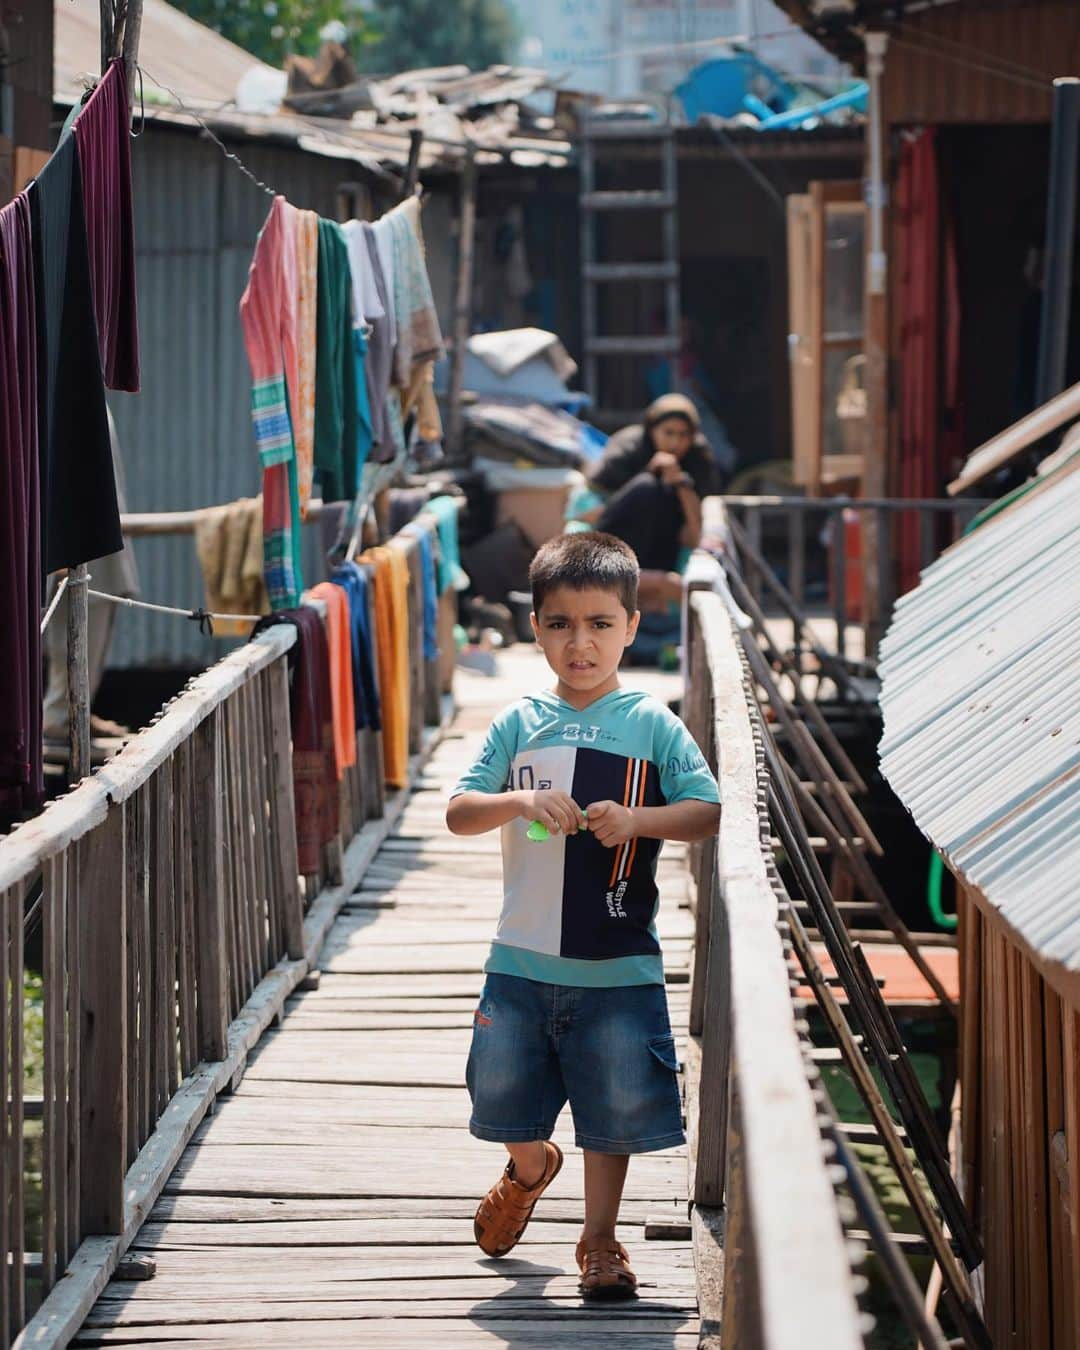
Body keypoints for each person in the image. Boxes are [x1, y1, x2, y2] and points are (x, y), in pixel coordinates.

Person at [446, 532, 721, 1300]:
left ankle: (600, 1240)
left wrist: (638, 821)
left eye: (601, 623)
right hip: (520, 957)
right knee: (500, 1100)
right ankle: (531, 1169)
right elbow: (461, 812)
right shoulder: (517, 722)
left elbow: (705, 811)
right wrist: (519, 799)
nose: (581, 642)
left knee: (616, 1110)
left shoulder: (653, 723)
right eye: (561, 624)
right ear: (535, 627)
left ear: (633, 626)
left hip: (618, 958)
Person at [576, 394, 720, 588]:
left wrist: (681, 484)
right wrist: (647, 474)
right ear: (652, 430)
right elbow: (589, 514)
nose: (675, 443)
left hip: (664, 550)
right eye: (668, 433)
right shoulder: (627, 451)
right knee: (647, 486)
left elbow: (693, 534)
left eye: (683, 435)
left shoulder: (698, 458)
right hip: (615, 545)